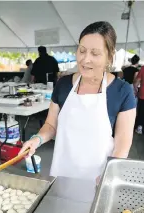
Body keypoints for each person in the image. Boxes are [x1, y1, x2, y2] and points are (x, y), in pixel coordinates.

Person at [20, 21, 136, 183]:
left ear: (109, 56)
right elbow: (51, 125)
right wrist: (36, 139)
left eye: (95, 53)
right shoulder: (64, 84)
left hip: (100, 176)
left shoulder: (122, 91)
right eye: (82, 51)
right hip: (62, 171)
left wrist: (109, 173)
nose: (85, 59)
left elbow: (122, 142)